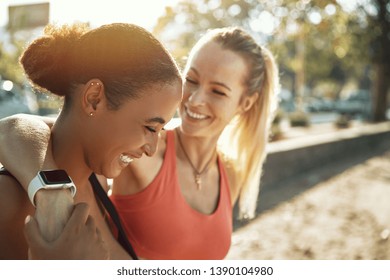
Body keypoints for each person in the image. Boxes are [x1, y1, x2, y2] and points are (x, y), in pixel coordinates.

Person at [0, 27, 279, 259]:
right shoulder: (134, 155)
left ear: (246, 102)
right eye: (190, 80)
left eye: (218, 91)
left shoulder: (229, 172)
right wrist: (51, 193)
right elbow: (23, 128)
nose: (194, 100)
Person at [0, 22, 182, 259]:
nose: (151, 148)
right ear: (94, 99)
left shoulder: (97, 180)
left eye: (160, 130)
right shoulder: (7, 203)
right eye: (150, 127)